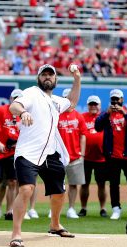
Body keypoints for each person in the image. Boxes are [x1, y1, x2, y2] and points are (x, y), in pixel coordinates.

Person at [9, 64, 81, 247]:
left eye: (51, 75)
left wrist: (77, 80)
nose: (47, 77)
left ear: (56, 80)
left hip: (50, 152)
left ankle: (55, 225)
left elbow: (71, 103)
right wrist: (23, 112)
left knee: (59, 192)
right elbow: (14, 106)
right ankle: (16, 234)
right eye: (44, 74)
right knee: (26, 190)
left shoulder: (56, 101)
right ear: (38, 78)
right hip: (28, 152)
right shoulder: (32, 93)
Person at [95, 89, 127, 220]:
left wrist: (125, 113)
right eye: (113, 99)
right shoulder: (107, 113)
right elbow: (97, 126)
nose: (115, 102)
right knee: (114, 184)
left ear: (122, 99)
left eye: (117, 99)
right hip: (113, 156)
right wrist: (106, 114)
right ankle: (116, 209)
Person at [0, 89, 23, 221]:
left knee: (12, 182)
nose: (17, 100)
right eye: (15, 98)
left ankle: (9, 211)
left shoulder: (24, 114)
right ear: (10, 99)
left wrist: (18, 144)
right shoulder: (0, 111)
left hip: (14, 152)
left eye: (19, 98)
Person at [58, 88, 87, 219]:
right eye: (66, 98)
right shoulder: (56, 114)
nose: (68, 101)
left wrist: (82, 154)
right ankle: (54, 209)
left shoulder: (78, 116)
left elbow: (83, 136)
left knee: (74, 184)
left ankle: (71, 208)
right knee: (57, 184)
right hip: (58, 156)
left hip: (75, 156)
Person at [78, 95, 108, 218]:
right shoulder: (82, 117)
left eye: (95, 104)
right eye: (91, 104)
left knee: (101, 184)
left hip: (102, 157)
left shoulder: (104, 117)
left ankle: (103, 208)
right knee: (84, 184)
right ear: (88, 105)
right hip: (86, 157)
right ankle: (83, 208)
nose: (93, 106)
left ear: (100, 106)